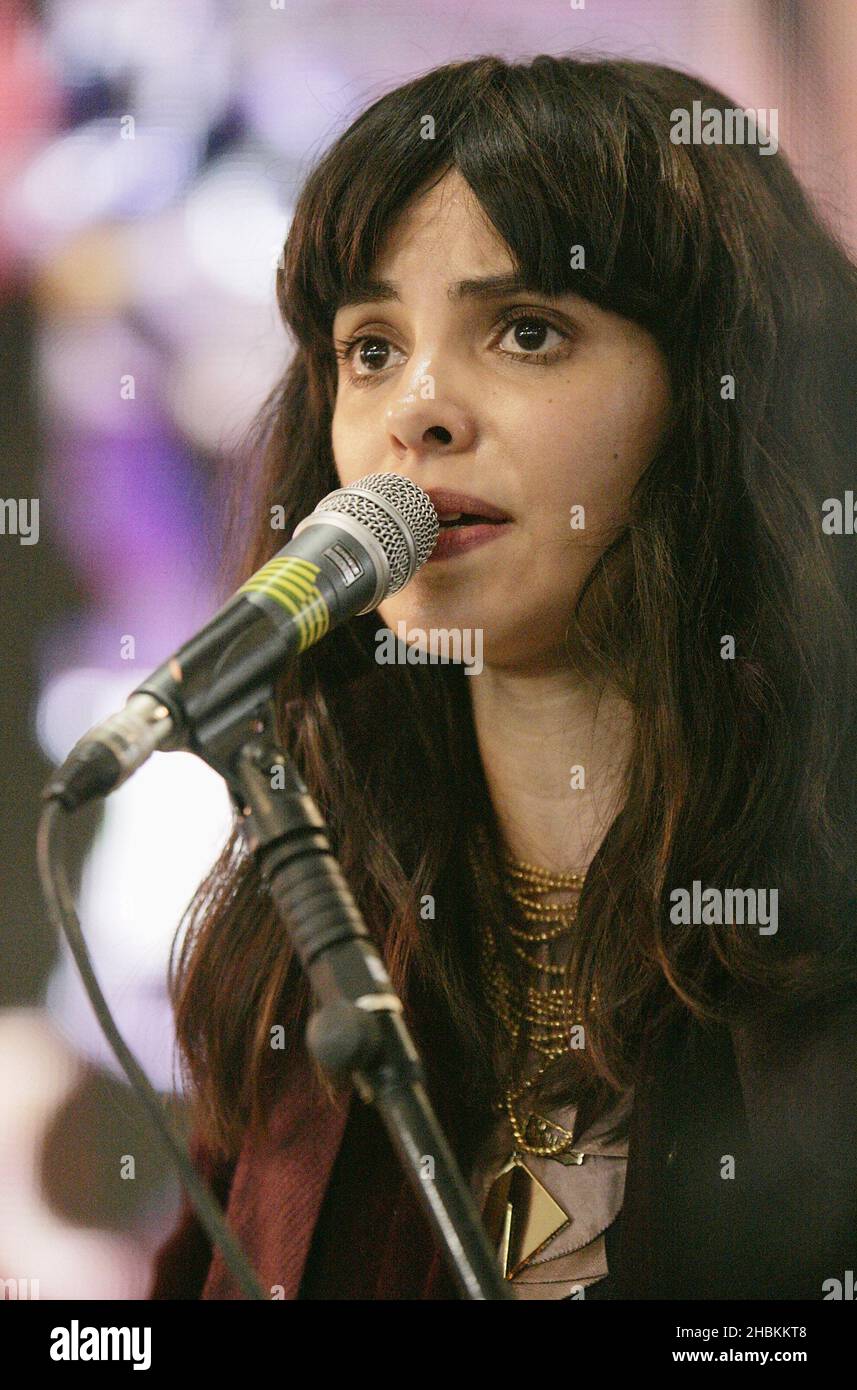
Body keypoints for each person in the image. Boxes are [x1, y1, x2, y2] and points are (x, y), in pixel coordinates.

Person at [149, 52, 857, 1301]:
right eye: (369, 348)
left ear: (711, 402)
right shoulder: (306, 962)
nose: (413, 411)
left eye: (525, 331)